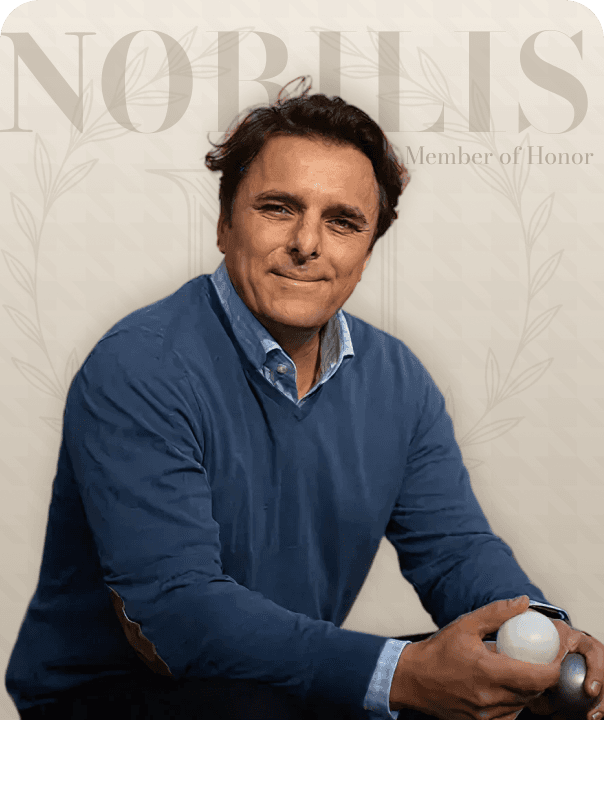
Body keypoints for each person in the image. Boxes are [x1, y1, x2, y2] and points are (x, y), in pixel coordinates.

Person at [6, 78, 603, 720]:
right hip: (114, 705)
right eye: (278, 208)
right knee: (285, 705)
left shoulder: (398, 380)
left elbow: (455, 551)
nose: (307, 244)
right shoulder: (140, 367)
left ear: (366, 253)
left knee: (544, 700)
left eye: (342, 222)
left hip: (278, 683)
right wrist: (404, 674)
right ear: (224, 224)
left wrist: (542, 633)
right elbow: (178, 614)